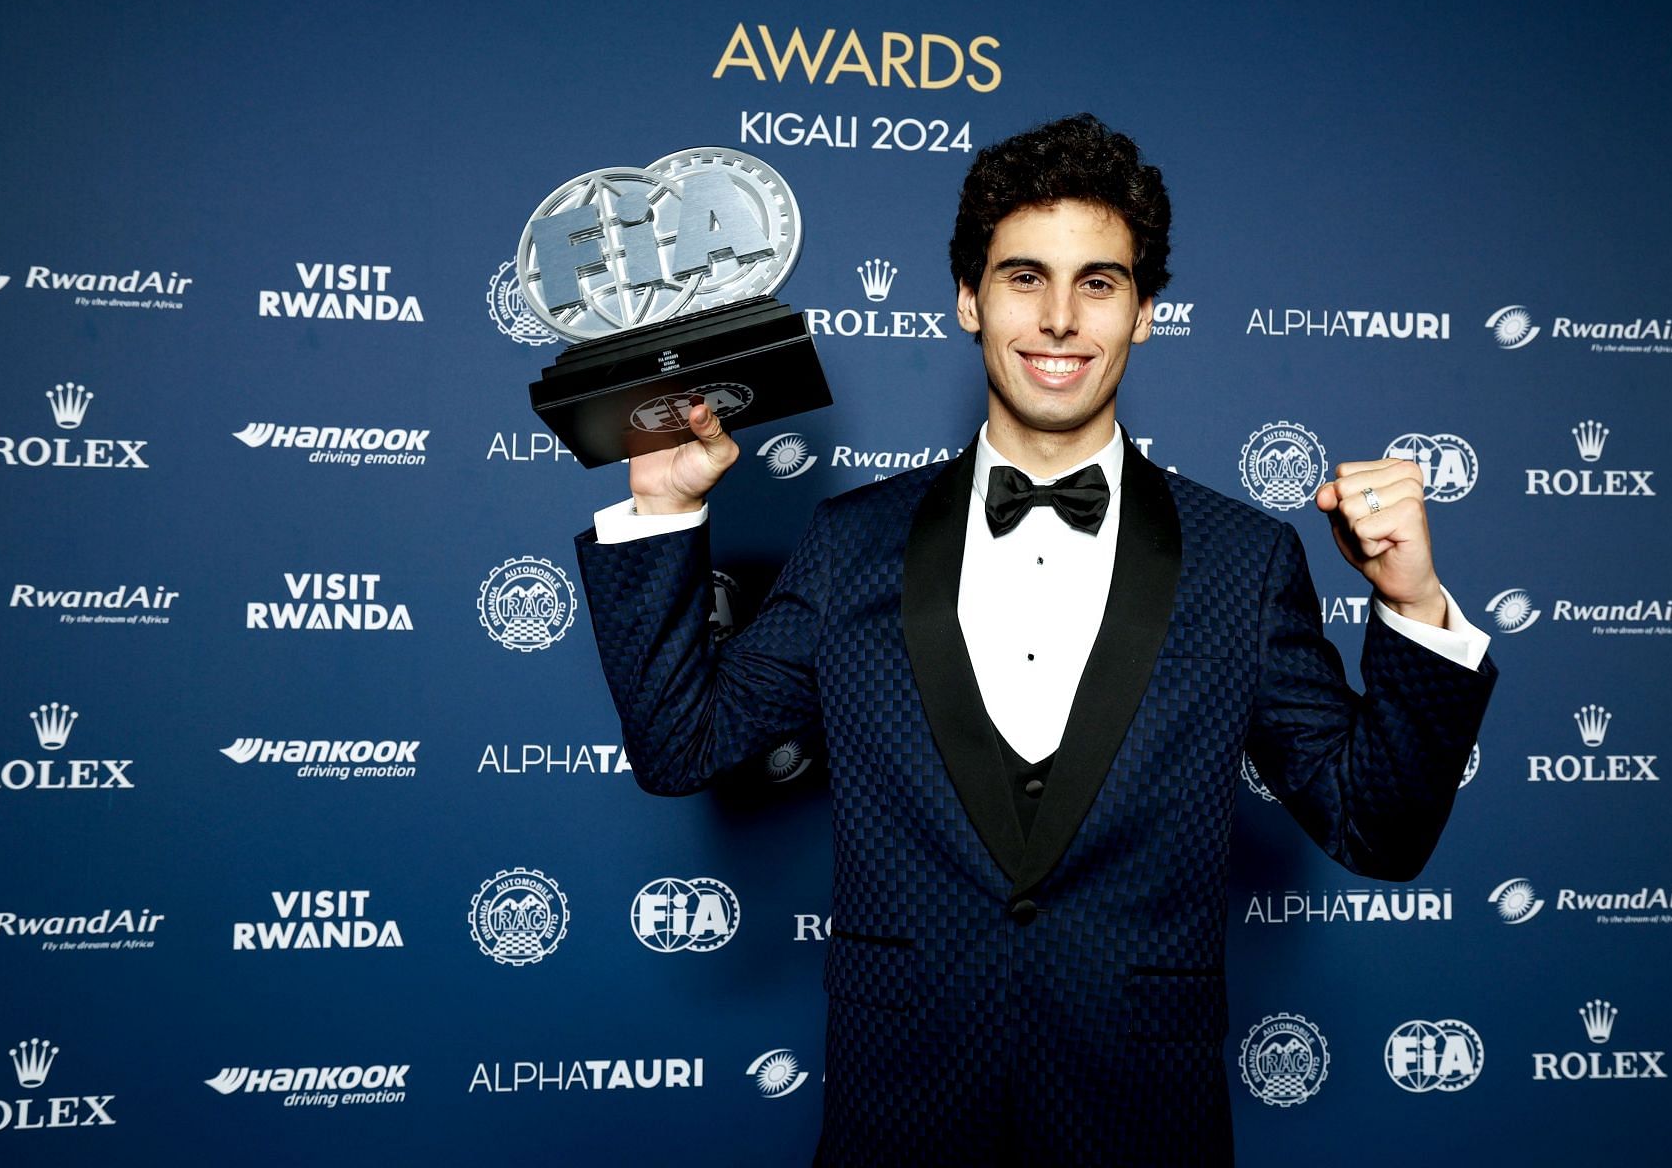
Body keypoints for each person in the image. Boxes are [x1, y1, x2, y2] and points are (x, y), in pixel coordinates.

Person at [576, 114, 1495, 1166]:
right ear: (970, 298)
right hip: (900, 1120)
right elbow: (681, 743)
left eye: (1099, 282)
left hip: (1139, 1120)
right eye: (1025, 276)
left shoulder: (1243, 560)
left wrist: (1413, 602)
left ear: (1145, 312)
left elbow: (1378, 828)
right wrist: (664, 507)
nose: (1060, 318)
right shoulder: (850, 542)